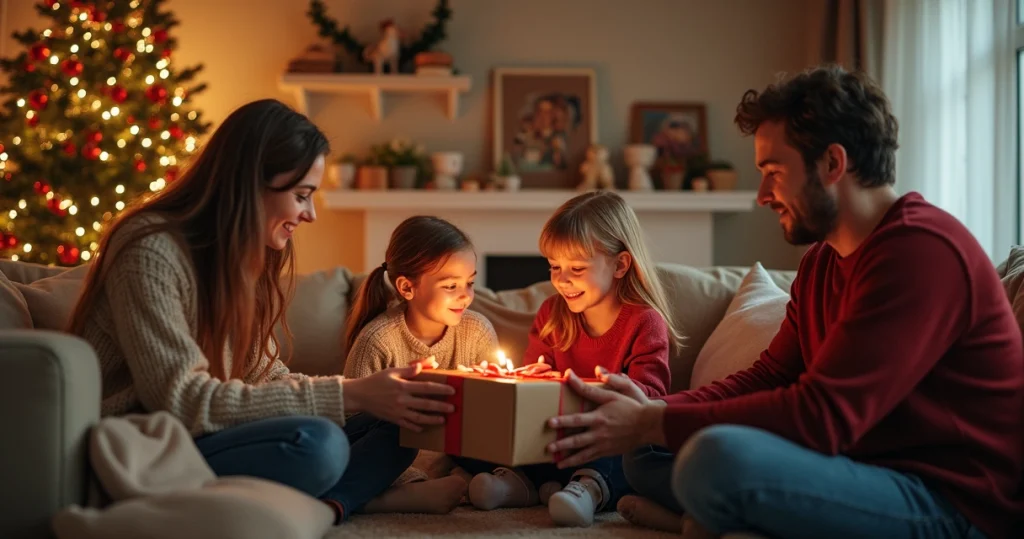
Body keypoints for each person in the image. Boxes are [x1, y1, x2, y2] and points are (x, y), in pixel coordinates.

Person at [544, 65, 1024, 539]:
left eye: (773, 172)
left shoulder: (920, 251)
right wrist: (652, 411)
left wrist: (657, 419)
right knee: (645, 450)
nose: (762, 195)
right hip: (858, 467)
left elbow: (823, 416)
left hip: (951, 501)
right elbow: (770, 375)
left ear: (832, 164)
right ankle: (719, 518)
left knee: (713, 459)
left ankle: (719, 515)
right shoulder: (822, 261)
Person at [67, 98, 458, 524]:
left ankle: (340, 499)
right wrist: (352, 393)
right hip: (151, 445)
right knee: (317, 445)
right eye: (301, 195)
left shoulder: (239, 258)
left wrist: (370, 393)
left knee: (400, 423)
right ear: (251, 183)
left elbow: (265, 376)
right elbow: (182, 402)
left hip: (216, 433)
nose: (310, 214)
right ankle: (357, 497)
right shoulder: (149, 248)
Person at [463, 191, 684, 527]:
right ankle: (519, 484)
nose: (561, 279)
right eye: (554, 267)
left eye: (577, 268)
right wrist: (519, 384)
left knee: (631, 456)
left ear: (620, 265)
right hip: (556, 438)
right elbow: (534, 383)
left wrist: (592, 397)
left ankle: (588, 489)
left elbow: (649, 400)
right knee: (475, 436)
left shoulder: (644, 321)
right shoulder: (552, 313)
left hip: (609, 441)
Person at [341, 215, 499, 514]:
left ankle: (476, 483)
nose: (465, 295)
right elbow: (355, 429)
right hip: (393, 459)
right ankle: (409, 489)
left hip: (460, 455)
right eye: (451, 285)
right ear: (407, 287)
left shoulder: (477, 331)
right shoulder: (378, 340)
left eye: (470, 282)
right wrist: (412, 477)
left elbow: (489, 419)